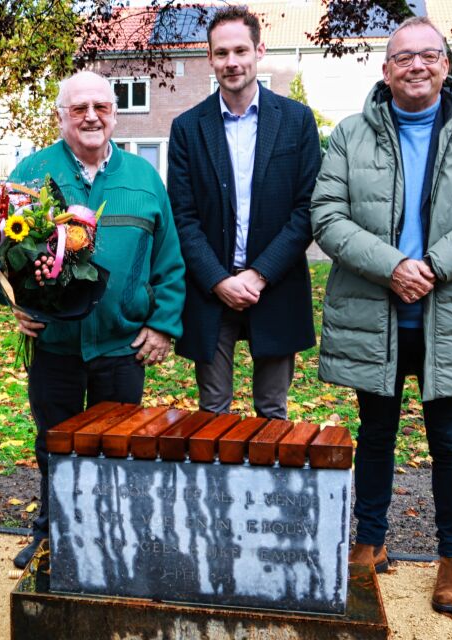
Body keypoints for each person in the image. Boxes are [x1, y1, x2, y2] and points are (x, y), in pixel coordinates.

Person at [310, 16, 452, 614]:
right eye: (403, 57)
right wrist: (393, 267)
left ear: (445, 66)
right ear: (386, 70)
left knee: (450, 442)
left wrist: (431, 265)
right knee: (375, 435)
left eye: (428, 55)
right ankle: (371, 540)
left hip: (449, 318)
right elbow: (326, 216)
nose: (416, 66)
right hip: (375, 316)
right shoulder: (351, 134)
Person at [0, 70, 187, 569]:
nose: (91, 117)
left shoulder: (143, 178)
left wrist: (162, 324)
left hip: (121, 346)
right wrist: (14, 300)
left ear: (114, 114)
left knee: (114, 448)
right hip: (54, 344)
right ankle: (52, 534)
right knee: (54, 445)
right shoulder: (32, 172)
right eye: (79, 108)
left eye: (101, 107)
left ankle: (109, 542)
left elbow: (169, 260)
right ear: (61, 116)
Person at [167, 7, 320, 419]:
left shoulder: (296, 121)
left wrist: (259, 274)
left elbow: (307, 209)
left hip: (276, 284)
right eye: (221, 53)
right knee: (212, 411)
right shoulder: (187, 128)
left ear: (259, 51)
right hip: (211, 289)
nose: (231, 61)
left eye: (240, 50)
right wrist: (219, 280)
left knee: (272, 410)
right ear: (210, 58)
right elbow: (183, 217)